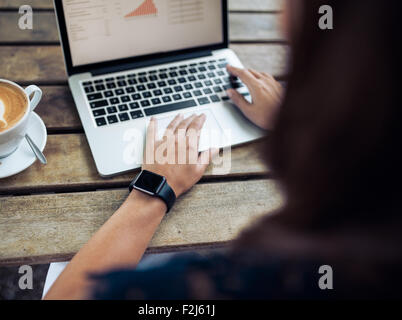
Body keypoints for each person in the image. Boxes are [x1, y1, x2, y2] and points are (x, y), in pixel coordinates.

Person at [44, 0, 402, 299]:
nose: (281, 12)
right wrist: (290, 123)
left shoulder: (267, 278)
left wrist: (153, 190)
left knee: (59, 264)